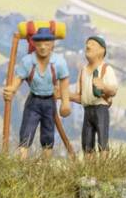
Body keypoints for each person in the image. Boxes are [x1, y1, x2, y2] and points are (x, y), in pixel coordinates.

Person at [8, 22, 78, 158]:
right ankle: (21, 161)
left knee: (48, 134)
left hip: (49, 102)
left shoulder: (59, 62)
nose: (43, 47)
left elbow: (64, 82)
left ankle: (45, 166)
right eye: (39, 44)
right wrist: (12, 89)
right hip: (33, 101)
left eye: (46, 43)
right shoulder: (28, 61)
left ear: (52, 44)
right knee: (26, 133)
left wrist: (65, 102)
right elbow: (19, 77)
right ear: (34, 44)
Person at [73, 34, 119, 155]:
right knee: (87, 143)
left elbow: (113, 90)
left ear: (101, 50)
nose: (88, 46)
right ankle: (90, 169)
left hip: (100, 109)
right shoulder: (83, 71)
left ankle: (103, 168)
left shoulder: (106, 69)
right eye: (87, 44)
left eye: (92, 44)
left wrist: (103, 86)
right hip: (87, 111)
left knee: (102, 140)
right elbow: (80, 96)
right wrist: (64, 95)